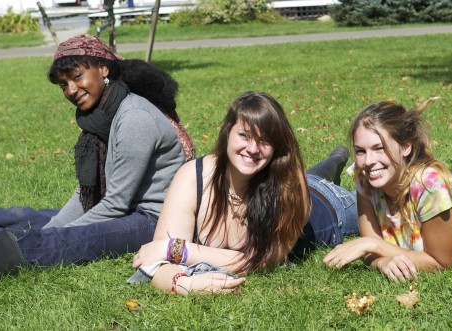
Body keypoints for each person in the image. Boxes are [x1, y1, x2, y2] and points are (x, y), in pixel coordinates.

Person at [0, 34, 194, 284]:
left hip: (153, 220)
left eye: (77, 76)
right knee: (33, 220)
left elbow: (115, 203)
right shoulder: (105, 114)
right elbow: (87, 191)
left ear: (103, 68)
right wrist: (52, 226)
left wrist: (54, 233)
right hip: (127, 208)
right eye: (64, 85)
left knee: (55, 240)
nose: (71, 90)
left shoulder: (134, 118)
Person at [130, 91, 358, 295]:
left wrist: (178, 249)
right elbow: (156, 262)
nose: (252, 148)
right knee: (316, 174)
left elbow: (262, 260)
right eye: (245, 136)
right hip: (301, 182)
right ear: (227, 133)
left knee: (347, 197)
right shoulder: (193, 177)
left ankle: (335, 161)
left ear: (277, 147)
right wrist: (183, 284)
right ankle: (335, 159)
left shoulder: (289, 183)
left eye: (264, 141)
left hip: (328, 206)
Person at [323, 100, 452, 282]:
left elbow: (442, 262)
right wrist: (381, 262)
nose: (369, 161)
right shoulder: (364, 174)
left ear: (405, 147)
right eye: (360, 151)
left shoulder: (430, 185)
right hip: (442, 202)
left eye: (379, 148)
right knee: (447, 186)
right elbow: (370, 247)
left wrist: (371, 244)